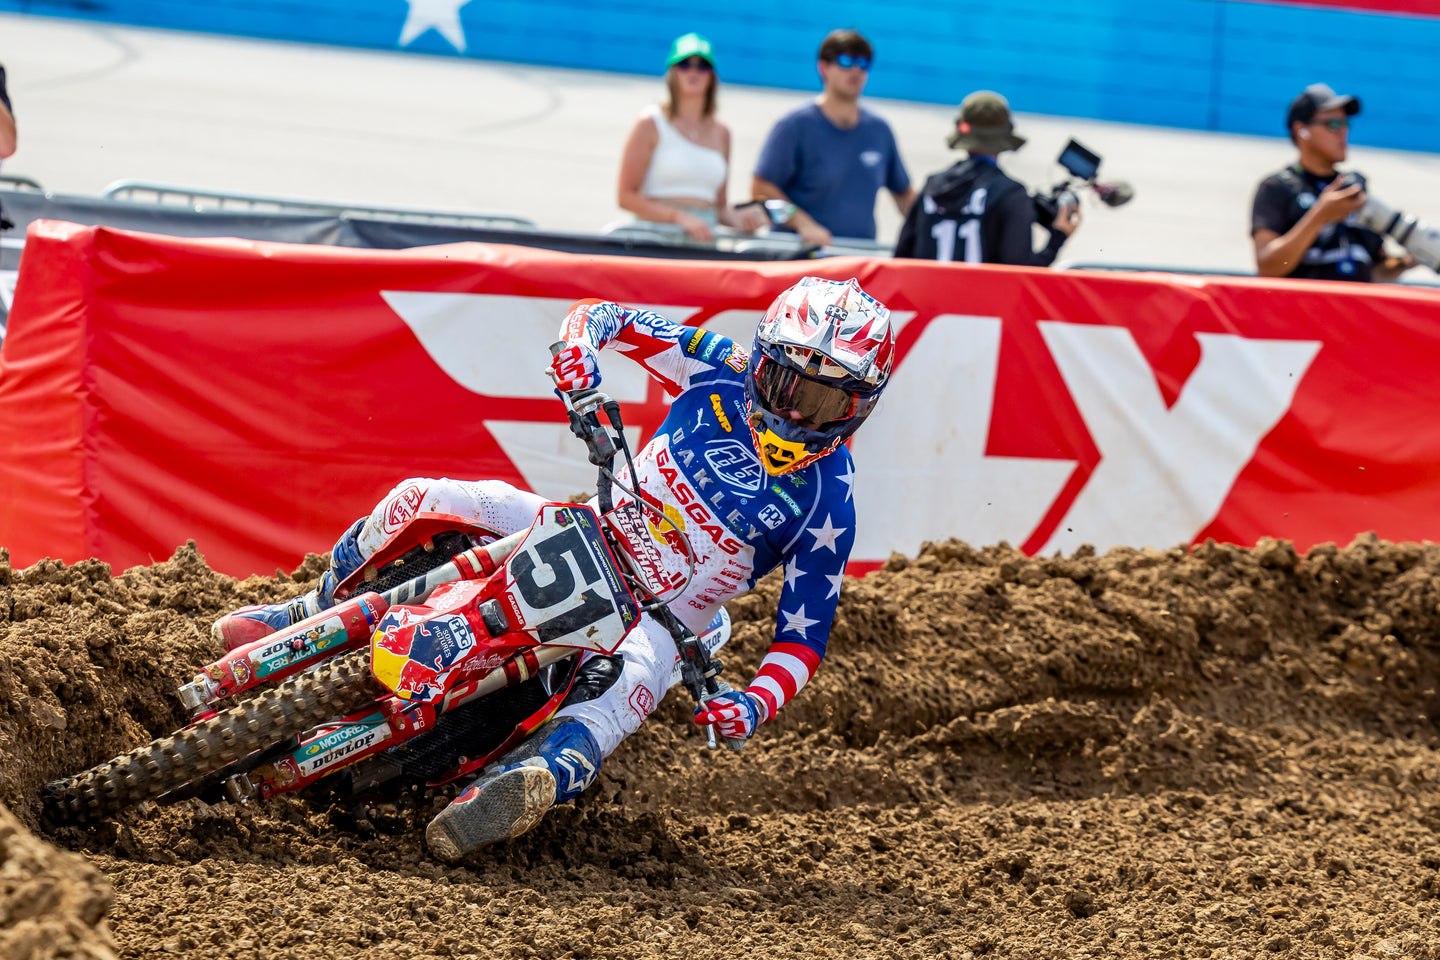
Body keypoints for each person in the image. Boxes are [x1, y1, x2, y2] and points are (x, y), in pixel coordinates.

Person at [212, 275, 897, 861]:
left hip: (661, 622)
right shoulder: (719, 362)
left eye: (826, 401)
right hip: (585, 526)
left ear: (858, 406)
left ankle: (518, 783)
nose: (797, 410)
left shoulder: (827, 505)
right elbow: (604, 317)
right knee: (423, 499)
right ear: (763, 359)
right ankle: (308, 610)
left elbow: (803, 639)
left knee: (613, 705)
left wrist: (752, 701)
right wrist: (579, 357)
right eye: (785, 382)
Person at [751, 29, 914, 246]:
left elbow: (905, 196)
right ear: (823, 67)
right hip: (803, 260)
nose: (855, 70)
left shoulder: (879, 130)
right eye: (846, 61)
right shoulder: (794, 126)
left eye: (863, 63)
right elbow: (761, 191)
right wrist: (802, 224)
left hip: (858, 260)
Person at [1251, 83, 1413, 282]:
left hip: (1354, 310)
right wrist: (1320, 216)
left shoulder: (1353, 188)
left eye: (1346, 124)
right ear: (1301, 130)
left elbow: (1373, 274)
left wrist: (1413, 257)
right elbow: (1268, 268)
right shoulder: (1277, 187)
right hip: (1303, 310)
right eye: (1333, 125)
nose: (1343, 132)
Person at [894, 90, 1079, 265]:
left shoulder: (932, 186)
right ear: (1005, 137)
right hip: (981, 299)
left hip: (926, 297)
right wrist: (1058, 238)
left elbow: (901, 257)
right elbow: (1019, 274)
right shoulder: (1011, 194)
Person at [616, 33, 765, 243]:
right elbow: (626, 196)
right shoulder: (651, 122)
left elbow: (719, 207)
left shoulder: (722, 132)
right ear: (672, 72)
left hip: (701, 241)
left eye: (702, 65)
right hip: (654, 238)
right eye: (685, 64)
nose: (693, 72)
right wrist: (678, 217)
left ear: (712, 75)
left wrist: (742, 221)